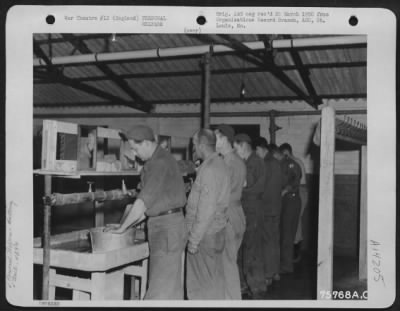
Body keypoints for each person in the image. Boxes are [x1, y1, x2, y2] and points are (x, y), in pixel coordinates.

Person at [106, 125, 187, 299]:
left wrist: (121, 229)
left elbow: (142, 203)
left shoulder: (158, 163)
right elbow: (146, 209)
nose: (134, 154)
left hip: (166, 228)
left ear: (146, 143)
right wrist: (126, 225)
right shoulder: (161, 159)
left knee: (158, 290)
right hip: (168, 225)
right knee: (170, 288)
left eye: (135, 149)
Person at [185, 129, 231, 299]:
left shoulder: (210, 169)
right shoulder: (220, 164)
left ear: (202, 145)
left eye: (194, 145)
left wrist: (194, 240)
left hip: (205, 235)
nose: (193, 149)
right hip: (216, 231)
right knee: (214, 279)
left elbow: (206, 210)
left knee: (200, 285)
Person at [214, 125, 246, 299]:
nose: (214, 142)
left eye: (217, 138)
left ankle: (232, 301)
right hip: (238, 214)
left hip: (227, 216)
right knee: (230, 261)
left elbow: (218, 193)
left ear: (225, 139)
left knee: (227, 265)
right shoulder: (239, 160)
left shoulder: (226, 162)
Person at [233, 133, 266, 297]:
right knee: (248, 249)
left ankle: (255, 287)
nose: (234, 151)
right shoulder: (251, 161)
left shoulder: (253, 162)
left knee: (250, 250)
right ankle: (249, 284)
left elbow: (246, 183)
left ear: (243, 145)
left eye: (235, 147)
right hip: (250, 209)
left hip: (251, 210)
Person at [254, 137, 283, 288]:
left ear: (261, 148)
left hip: (266, 209)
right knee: (274, 241)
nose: (256, 153)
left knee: (266, 242)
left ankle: (268, 274)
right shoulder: (276, 163)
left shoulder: (265, 164)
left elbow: (262, 188)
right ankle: (276, 271)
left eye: (256, 150)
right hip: (276, 208)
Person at [273, 143, 302, 274]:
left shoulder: (291, 164)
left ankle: (287, 266)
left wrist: (285, 190)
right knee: (282, 233)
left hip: (291, 200)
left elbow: (296, 181)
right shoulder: (279, 164)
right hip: (283, 201)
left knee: (288, 234)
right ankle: (283, 263)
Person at [279, 143, 308, 262]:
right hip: (298, 190)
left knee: (296, 222)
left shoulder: (294, 162)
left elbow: (295, 182)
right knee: (294, 222)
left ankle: (296, 251)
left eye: (283, 154)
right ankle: (293, 251)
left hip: (299, 190)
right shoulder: (294, 162)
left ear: (287, 152)